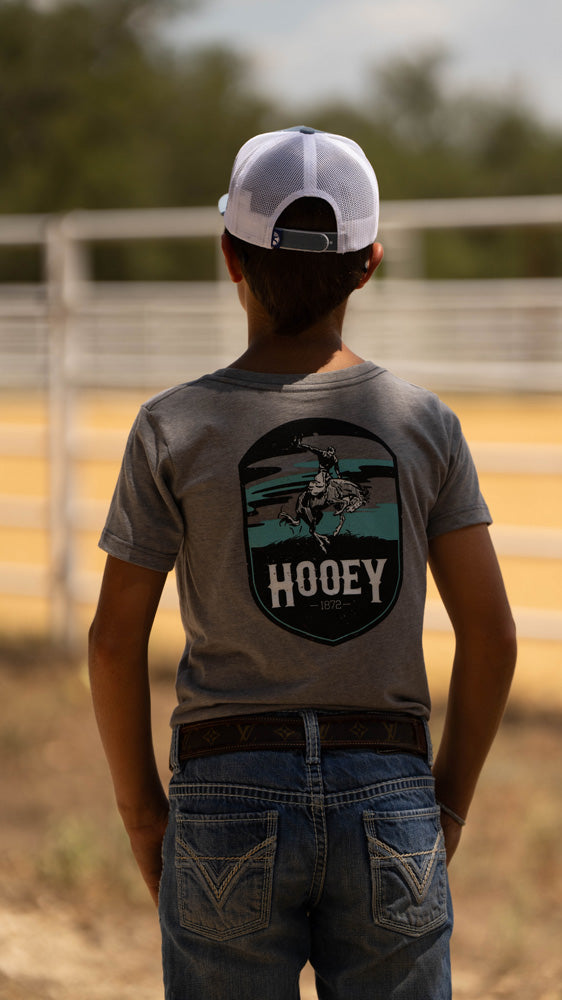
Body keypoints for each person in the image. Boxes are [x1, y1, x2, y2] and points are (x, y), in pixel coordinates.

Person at [88, 126, 517, 1000]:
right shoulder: (422, 423)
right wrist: (447, 810)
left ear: (230, 258)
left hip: (224, 788)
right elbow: (494, 637)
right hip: (388, 784)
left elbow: (110, 640)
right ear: (370, 265)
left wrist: (143, 819)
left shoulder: (173, 428)